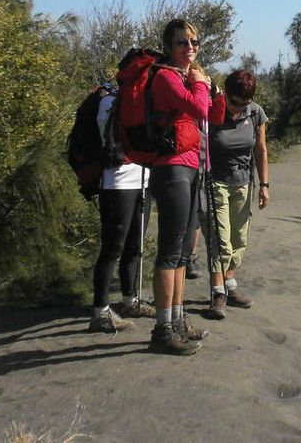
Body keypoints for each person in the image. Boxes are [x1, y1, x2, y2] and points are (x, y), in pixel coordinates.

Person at [145, 18, 212, 355]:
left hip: (190, 166)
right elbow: (200, 107)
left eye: (194, 42)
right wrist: (200, 83)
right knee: (170, 252)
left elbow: (210, 113)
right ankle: (162, 329)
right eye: (182, 43)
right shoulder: (164, 77)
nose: (190, 48)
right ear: (168, 47)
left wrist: (200, 83)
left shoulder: (184, 78)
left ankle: (178, 319)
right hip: (170, 169)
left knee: (184, 250)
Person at [206, 69, 270, 319]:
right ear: (226, 95)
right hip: (215, 182)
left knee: (238, 239)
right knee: (221, 240)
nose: (238, 109)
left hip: (243, 182)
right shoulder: (212, 111)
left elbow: (261, 149)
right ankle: (217, 292)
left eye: (244, 104)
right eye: (234, 103)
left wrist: (265, 185)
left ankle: (230, 285)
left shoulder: (255, 112)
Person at [89, 87, 153, 333]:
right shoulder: (110, 101)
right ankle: (100, 311)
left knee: (135, 244)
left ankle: (130, 300)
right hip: (117, 181)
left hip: (142, 179)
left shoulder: (140, 100)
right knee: (113, 247)